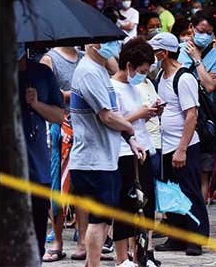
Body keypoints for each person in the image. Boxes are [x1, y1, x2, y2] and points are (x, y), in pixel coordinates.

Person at [69, 39, 146, 267]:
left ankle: (91, 264)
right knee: (99, 219)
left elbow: (113, 113)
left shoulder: (100, 70)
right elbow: (107, 116)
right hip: (92, 160)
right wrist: (130, 127)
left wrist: (130, 139)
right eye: (108, 41)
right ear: (93, 43)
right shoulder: (88, 72)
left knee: (104, 220)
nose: (114, 46)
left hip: (105, 158)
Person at [150, 32, 209, 256]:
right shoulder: (160, 76)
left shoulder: (184, 78)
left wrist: (182, 149)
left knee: (190, 192)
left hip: (183, 146)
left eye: (155, 51)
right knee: (170, 192)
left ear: (164, 53)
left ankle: (195, 238)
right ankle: (176, 236)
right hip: (165, 145)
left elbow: (191, 115)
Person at [110, 38, 163, 267]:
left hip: (144, 147)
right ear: (129, 65)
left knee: (146, 203)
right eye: (141, 71)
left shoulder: (135, 87)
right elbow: (112, 121)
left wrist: (151, 112)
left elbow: (136, 117)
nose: (143, 75)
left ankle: (141, 254)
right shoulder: (112, 87)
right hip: (123, 152)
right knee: (125, 204)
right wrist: (139, 114)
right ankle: (122, 257)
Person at [18, 44, 66, 260]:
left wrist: (36, 104)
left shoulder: (41, 73)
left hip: (37, 168)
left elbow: (58, 116)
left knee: (36, 237)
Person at [40, 46, 84, 262]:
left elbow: (112, 69)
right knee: (58, 187)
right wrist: (77, 93)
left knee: (83, 187)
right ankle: (57, 241)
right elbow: (48, 94)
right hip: (60, 129)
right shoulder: (50, 59)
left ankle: (83, 241)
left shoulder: (85, 57)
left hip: (84, 127)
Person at [176, 13, 216, 203]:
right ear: (192, 28)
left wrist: (197, 60)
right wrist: (202, 75)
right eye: (201, 31)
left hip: (203, 120)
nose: (204, 36)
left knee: (203, 171)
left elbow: (210, 86)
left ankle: (200, 212)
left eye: (209, 33)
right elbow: (175, 78)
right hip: (179, 115)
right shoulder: (178, 50)